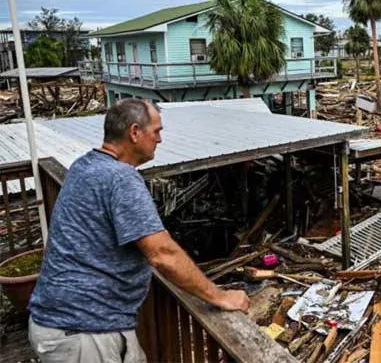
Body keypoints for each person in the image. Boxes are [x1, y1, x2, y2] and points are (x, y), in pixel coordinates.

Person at [28, 99, 249, 362]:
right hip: (83, 329)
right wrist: (220, 296)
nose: (160, 140)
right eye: (156, 131)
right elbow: (162, 254)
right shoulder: (120, 178)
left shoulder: (84, 166)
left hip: (74, 323)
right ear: (135, 132)